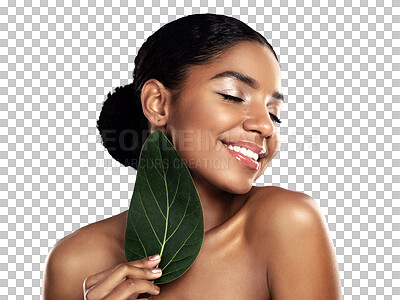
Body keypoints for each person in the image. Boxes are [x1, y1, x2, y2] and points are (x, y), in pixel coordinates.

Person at [42, 13, 342, 299]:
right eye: (233, 96)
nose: (265, 126)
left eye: (273, 114)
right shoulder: (74, 262)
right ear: (158, 104)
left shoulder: (286, 222)